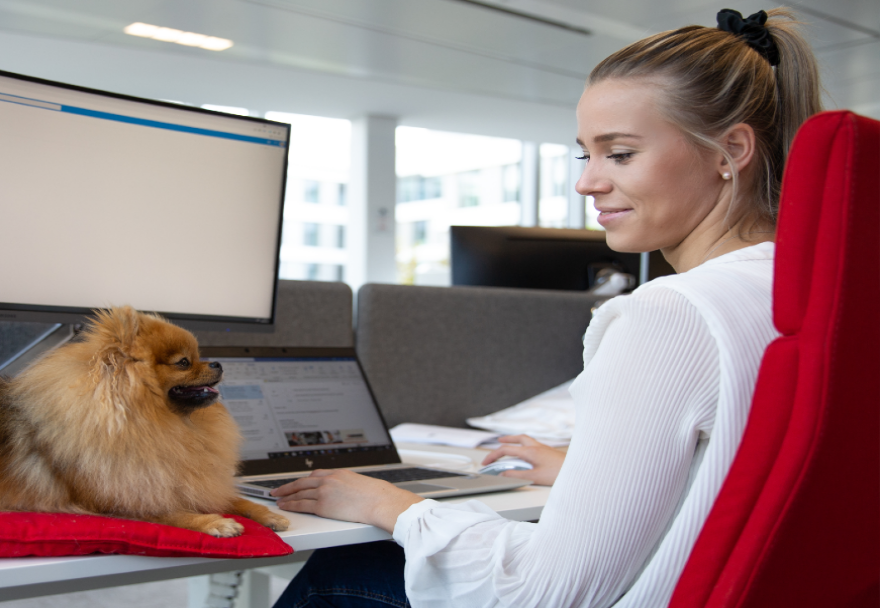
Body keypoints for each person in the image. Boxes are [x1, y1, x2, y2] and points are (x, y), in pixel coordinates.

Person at [270, 8, 822, 608]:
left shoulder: (674, 313)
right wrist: (588, 473)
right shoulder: (812, 295)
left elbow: (546, 592)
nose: (586, 184)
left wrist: (390, 504)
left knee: (341, 571)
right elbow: (750, 481)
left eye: (620, 153)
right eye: (586, 154)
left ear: (731, 150)